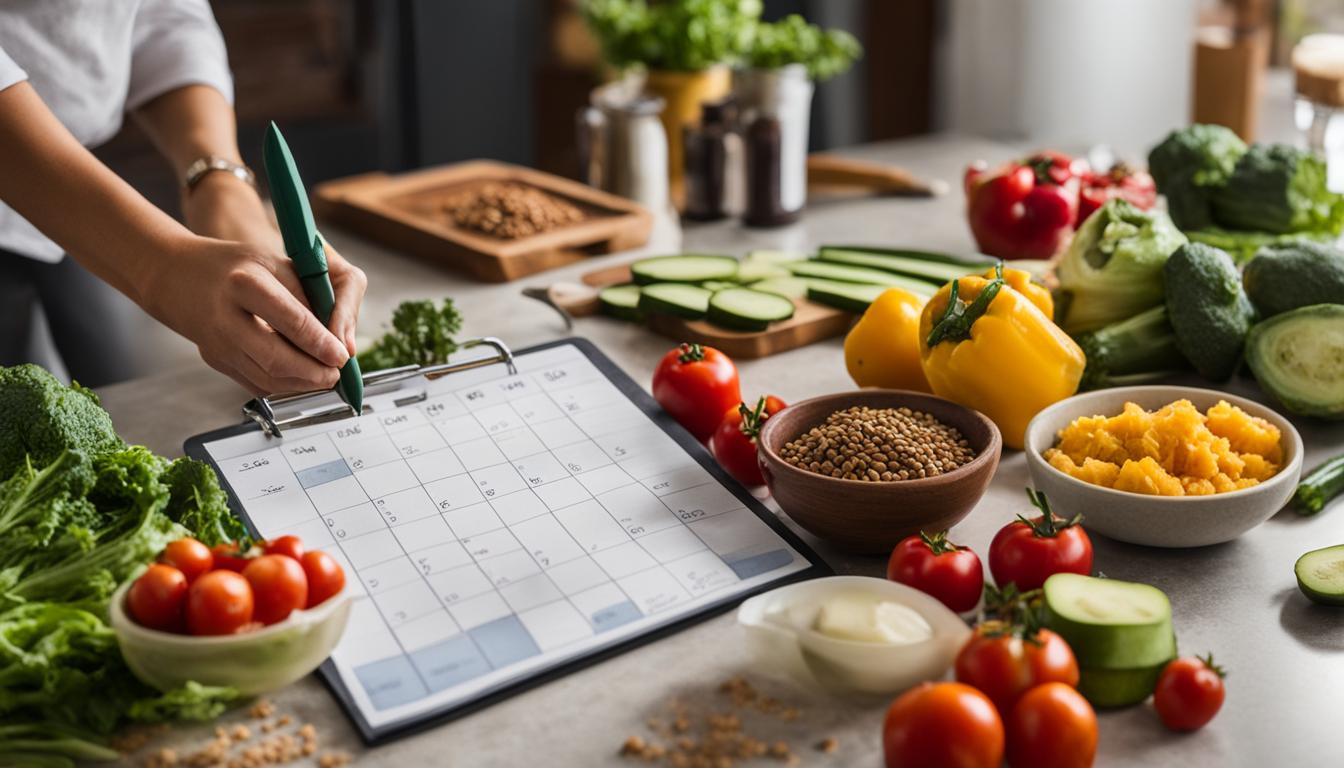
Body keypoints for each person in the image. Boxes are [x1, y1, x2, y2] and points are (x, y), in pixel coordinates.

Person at [0, 0, 366, 395]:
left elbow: (160, 12)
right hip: (48, 182)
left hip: (73, 183)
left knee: (131, 393)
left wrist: (222, 189)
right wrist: (160, 269)